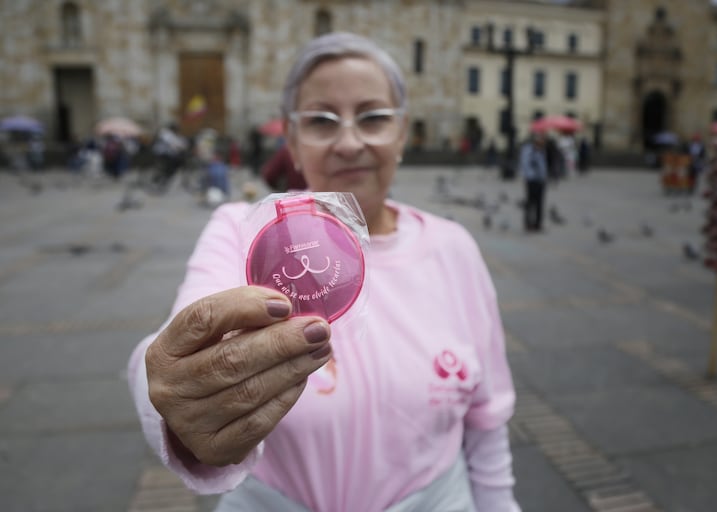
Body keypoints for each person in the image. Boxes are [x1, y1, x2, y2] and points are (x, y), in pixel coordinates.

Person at [128, 31, 520, 512]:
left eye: (373, 117)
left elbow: (487, 419)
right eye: (320, 121)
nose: (349, 142)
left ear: (402, 133)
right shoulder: (245, 234)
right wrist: (171, 391)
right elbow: (176, 339)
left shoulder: (453, 247)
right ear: (292, 142)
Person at [519, 131, 549, 232]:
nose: (543, 141)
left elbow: (543, 165)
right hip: (532, 181)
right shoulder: (529, 150)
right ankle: (528, 224)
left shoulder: (541, 150)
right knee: (530, 202)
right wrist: (531, 176)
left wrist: (544, 177)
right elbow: (525, 164)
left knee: (540, 203)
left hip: (541, 180)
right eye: (541, 139)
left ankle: (538, 224)